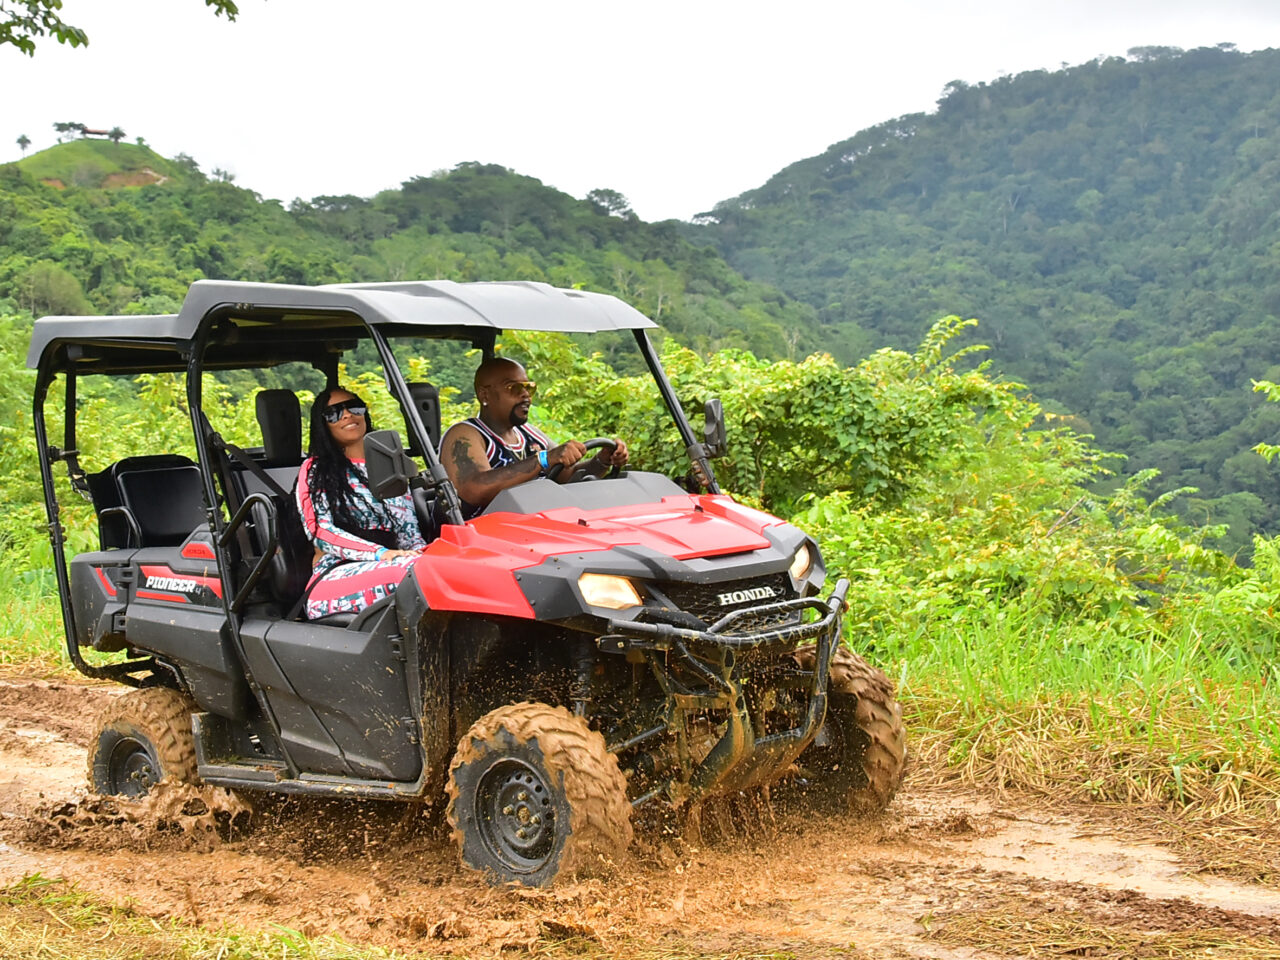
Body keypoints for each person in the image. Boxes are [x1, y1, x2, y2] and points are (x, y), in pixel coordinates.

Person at [439, 357, 629, 520]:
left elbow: (567, 475)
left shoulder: (530, 434)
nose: (525, 395)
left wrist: (602, 460)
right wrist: (544, 459)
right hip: (477, 544)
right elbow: (473, 488)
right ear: (485, 395)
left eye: (529, 388)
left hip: (532, 534)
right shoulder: (465, 434)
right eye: (514, 388)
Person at [295, 387, 427, 619]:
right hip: (334, 576)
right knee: (413, 573)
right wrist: (381, 554)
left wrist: (426, 554)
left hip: (395, 563)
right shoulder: (316, 470)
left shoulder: (390, 466)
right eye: (333, 413)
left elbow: (409, 534)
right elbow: (321, 532)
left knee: (445, 567)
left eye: (353, 406)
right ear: (322, 424)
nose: (346, 415)